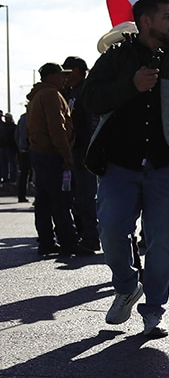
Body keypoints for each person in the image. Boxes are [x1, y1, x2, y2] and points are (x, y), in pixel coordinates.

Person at [83, 0, 169, 339]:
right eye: (167, 17)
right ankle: (127, 286)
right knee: (111, 230)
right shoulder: (116, 58)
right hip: (119, 165)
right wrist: (132, 85)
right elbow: (90, 98)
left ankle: (153, 311)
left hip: (167, 166)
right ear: (146, 22)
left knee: (161, 240)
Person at [27, 62, 84, 257]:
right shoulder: (51, 95)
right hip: (52, 155)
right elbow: (56, 128)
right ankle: (69, 242)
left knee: (43, 201)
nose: (64, 79)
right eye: (61, 75)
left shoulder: (37, 95)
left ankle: (46, 242)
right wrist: (67, 155)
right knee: (61, 200)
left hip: (40, 154)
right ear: (51, 76)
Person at [63, 56, 100, 252]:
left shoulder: (86, 91)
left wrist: (91, 150)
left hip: (85, 150)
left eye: (67, 70)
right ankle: (85, 234)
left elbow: (92, 121)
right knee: (77, 197)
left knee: (86, 196)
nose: (65, 76)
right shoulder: (71, 92)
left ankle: (91, 238)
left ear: (77, 71)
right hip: (75, 151)